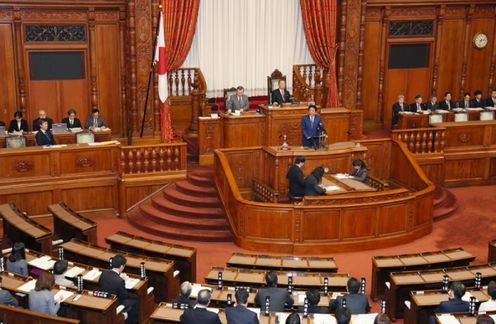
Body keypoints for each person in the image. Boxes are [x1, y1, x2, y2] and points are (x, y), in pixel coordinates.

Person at [98, 255, 138, 324]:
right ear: (122, 266)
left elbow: (100, 285)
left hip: (105, 300)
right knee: (135, 299)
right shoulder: (120, 281)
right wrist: (132, 295)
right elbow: (124, 296)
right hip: (116, 303)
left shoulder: (103, 274)